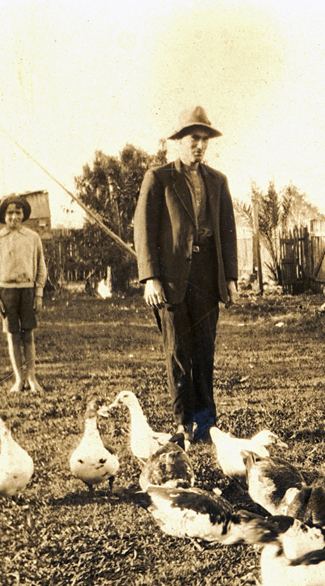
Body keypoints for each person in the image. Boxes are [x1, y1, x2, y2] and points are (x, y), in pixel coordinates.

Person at [133, 105, 238, 444]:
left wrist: (231, 279)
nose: (200, 146)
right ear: (178, 141)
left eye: (205, 140)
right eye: (194, 139)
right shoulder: (160, 178)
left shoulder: (218, 181)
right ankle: (182, 424)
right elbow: (144, 230)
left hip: (207, 278)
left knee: (205, 350)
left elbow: (227, 232)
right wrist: (150, 277)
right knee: (178, 351)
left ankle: (207, 424)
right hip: (172, 282)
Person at [0, 194, 47, 393]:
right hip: (7, 292)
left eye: (18, 213)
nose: (14, 217)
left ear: (23, 215)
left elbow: (40, 267)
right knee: (12, 335)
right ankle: (19, 380)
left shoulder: (33, 238)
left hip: (27, 290)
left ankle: (32, 378)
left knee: (28, 334)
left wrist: (38, 293)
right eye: (10, 213)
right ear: (4, 216)